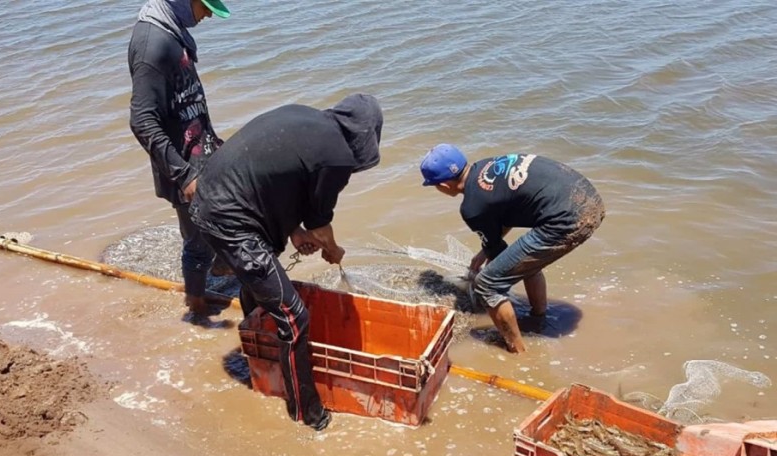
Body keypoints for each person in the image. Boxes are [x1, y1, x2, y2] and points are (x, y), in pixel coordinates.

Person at [189, 94, 383, 431]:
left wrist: (294, 231)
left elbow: (275, 181)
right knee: (295, 318)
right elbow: (321, 225)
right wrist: (333, 250)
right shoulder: (336, 158)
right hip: (230, 220)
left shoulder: (306, 119)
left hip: (214, 200)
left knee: (263, 288)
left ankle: (259, 351)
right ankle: (307, 413)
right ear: (366, 135)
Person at [420, 144, 605, 354]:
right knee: (522, 263)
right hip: (587, 198)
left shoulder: (471, 207)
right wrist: (485, 252)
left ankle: (517, 351)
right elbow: (504, 213)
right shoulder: (485, 167)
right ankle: (538, 317)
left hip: (567, 219)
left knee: (487, 284)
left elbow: (497, 251)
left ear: (444, 185)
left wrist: (490, 261)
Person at [128, 0, 231, 316]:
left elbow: (186, 98)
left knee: (222, 223)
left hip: (201, 153)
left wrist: (212, 140)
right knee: (197, 242)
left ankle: (219, 272)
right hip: (184, 166)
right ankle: (197, 309)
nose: (209, 13)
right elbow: (142, 120)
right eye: (206, 6)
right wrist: (183, 174)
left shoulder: (173, 32)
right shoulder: (152, 45)